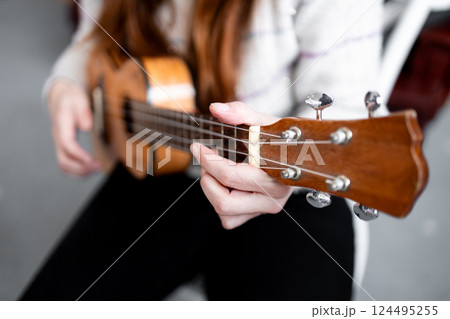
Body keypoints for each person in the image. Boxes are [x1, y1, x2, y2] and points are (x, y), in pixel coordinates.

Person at [21, 0, 382, 300]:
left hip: (287, 182)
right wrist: (66, 84)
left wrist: (280, 175)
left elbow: (347, 113)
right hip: (154, 162)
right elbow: (91, 36)